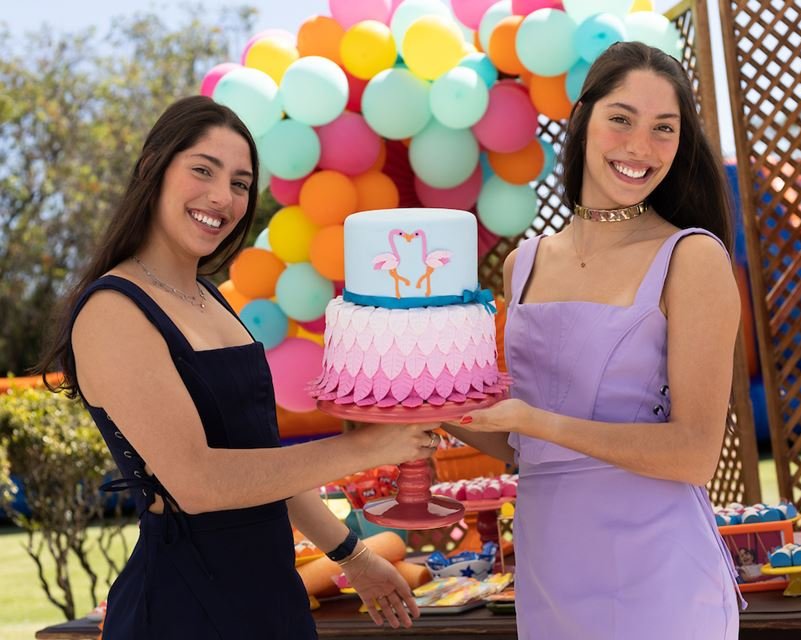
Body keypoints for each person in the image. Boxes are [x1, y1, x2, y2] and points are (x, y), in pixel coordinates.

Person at [37, 95, 439, 637]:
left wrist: (352, 555)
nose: (222, 197)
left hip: (271, 599)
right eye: (202, 170)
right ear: (152, 168)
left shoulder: (210, 297)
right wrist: (365, 448)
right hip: (185, 607)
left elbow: (261, 460)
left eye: (241, 183)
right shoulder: (114, 309)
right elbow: (197, 482)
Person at [442, 42, 744, 639]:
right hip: (548, 574)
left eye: (664, 129)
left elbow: (694, 453)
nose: (639, 146)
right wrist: (435, 408)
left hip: (660, 581)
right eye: (622, 118)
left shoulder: (691, 257)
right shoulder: (522, 264)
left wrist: (539, 421)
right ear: (583, 119)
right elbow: (525, 449)